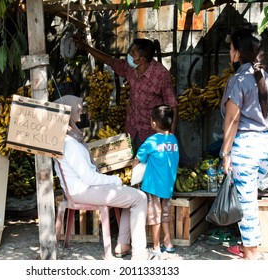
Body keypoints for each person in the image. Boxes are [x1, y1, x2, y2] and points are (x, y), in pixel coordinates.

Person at [52, 95, 149, 260]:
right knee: (140, 198)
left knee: (131, 196)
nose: (81, 115)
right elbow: (89, 178)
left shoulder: (65, 141)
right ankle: (139, 254)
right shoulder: (71, 146)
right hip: (84, 191)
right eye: (78, 112)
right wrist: (115, 181)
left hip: (82, 189)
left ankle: (123, 245)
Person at [220, 29, 268, 260]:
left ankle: (251, 253)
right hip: (267, 144)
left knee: (247, 200)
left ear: (237, 53)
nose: (229, 53)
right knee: (250, 194)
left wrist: (225, 153)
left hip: (247, 147)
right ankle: (248, 245)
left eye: (231, 48)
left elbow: (232, 121)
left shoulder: (239, 80)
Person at [73, 34, 178, 151]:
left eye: (133, 52)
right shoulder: (130, 68)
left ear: (142, 60)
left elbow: (172, 106)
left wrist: (170, 138)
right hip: (132, 128)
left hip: (151, 133)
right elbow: (110, 61)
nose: (129, 54)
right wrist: (86, 47)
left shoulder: (161, 75)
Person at [132, 105, 179, 256]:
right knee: (164, 214)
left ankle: (156, 246)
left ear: (153, 123)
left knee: (154, 217)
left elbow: (137, 160)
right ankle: (168, 243)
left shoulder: (151, 141)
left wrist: (133, 174)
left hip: (152, 186)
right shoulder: (173, 140)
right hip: (167, 186)